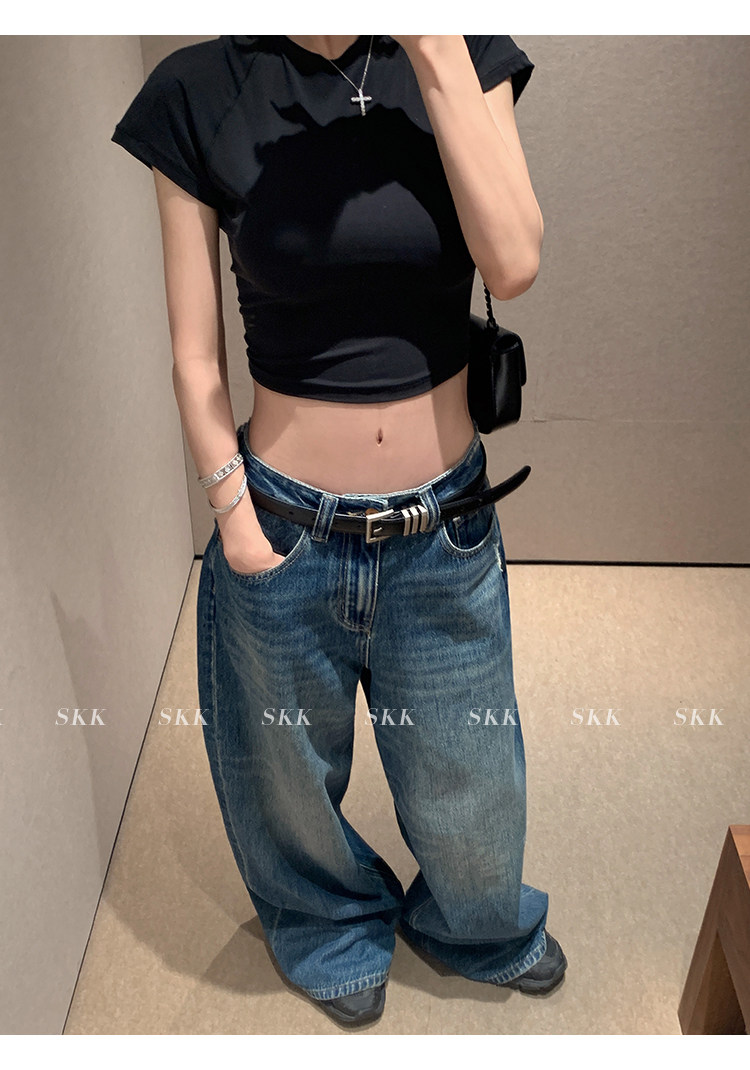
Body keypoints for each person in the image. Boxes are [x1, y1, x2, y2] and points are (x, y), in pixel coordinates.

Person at [111, 34, 567, 1029]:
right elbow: (195, 356)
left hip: (442, 526)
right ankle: (328, 926)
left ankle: (475, 922)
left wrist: (434, 47)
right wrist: (232, 516)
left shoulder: (462, 53)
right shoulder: (198, 89)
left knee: (470, 771)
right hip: (283, 525)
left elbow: (516, 259)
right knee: (286, 779)